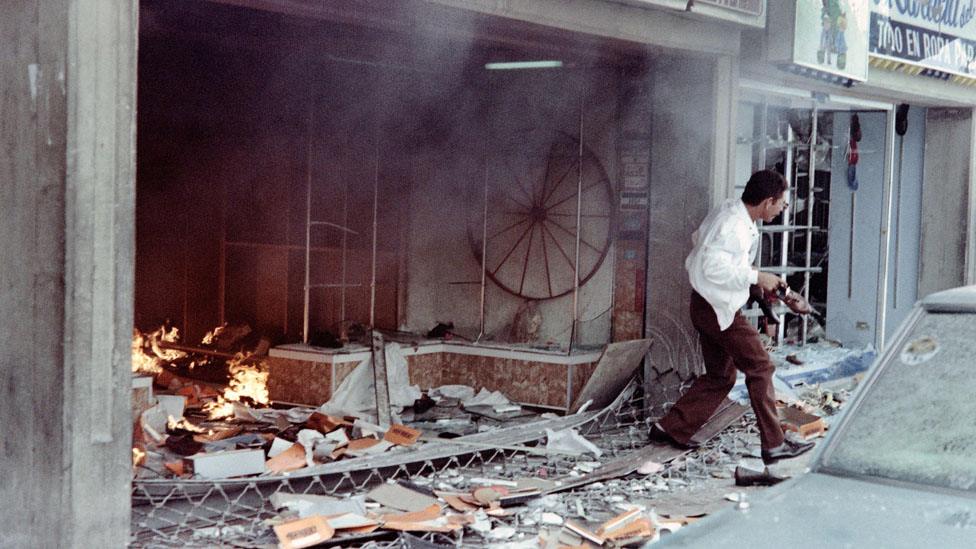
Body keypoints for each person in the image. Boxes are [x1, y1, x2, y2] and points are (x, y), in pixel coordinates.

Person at [650, 169, 814, 465]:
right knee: (761, 366)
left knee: (721, 375)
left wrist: (766, 287)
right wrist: (755, 276)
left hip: (708, 303)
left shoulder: (732, 212)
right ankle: (774, 444)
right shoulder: (733, 226)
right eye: (781, 204)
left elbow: (700, 240)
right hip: (717, 308)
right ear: (767, 202)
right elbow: (712, 266)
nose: (782, 210)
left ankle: (670, 427)